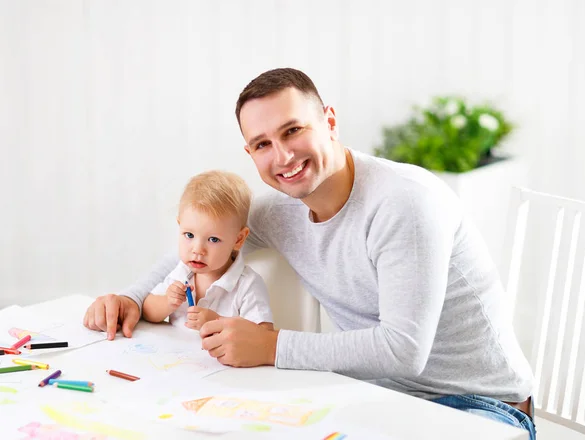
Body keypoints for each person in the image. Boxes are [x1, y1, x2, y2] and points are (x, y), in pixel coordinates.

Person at [84, 68, 535, 437]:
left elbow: (403, 350)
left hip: (475, 406)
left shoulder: (404, 203)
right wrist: (131, 297)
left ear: (330, 121)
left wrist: (271, 346)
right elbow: (203, 247)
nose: (282, 156)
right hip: (369, 399)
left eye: (293, 130)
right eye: (262, 144)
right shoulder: (281, 210)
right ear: (251, 153)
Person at [140, 170, 273, 331]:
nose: (197, 250)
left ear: (238, 240)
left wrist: (216, 321)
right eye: (189, 235)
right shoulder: (181, 273)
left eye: (213, 239)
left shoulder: (247, 284)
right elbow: (147, 312)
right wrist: (167, 302)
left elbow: (264, 334)